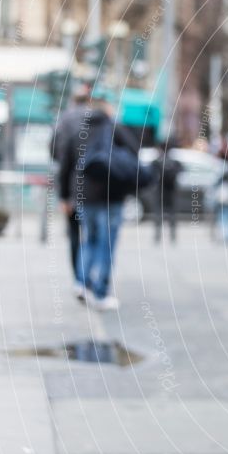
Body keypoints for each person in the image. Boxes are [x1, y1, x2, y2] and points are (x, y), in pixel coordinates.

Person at [58, 93, 141, 311]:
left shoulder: (78, 131)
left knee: (89, 240)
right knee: (107, 244)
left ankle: (82, 283)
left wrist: (64, 197)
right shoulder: (115, 129)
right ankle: (101, 293)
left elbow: (65, 166)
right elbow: (135, 157)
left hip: (84, 196)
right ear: (107, 109)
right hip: (112, 196)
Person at [50, 85, 91, 294]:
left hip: (73, 188)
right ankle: (89, 277)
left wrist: (63, 195)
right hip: (95, 188)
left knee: (74, 234)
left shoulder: (64, 120)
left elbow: (56, 153)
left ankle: (78, 278)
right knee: (94, 235)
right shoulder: (97, 118)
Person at [153, 139, 182, 244]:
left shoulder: (160, 162)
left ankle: (162, 237)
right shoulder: (165, 162)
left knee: (164, 215)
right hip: (166, 192)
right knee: (167, 215)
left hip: (166, 192)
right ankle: (167, 237)